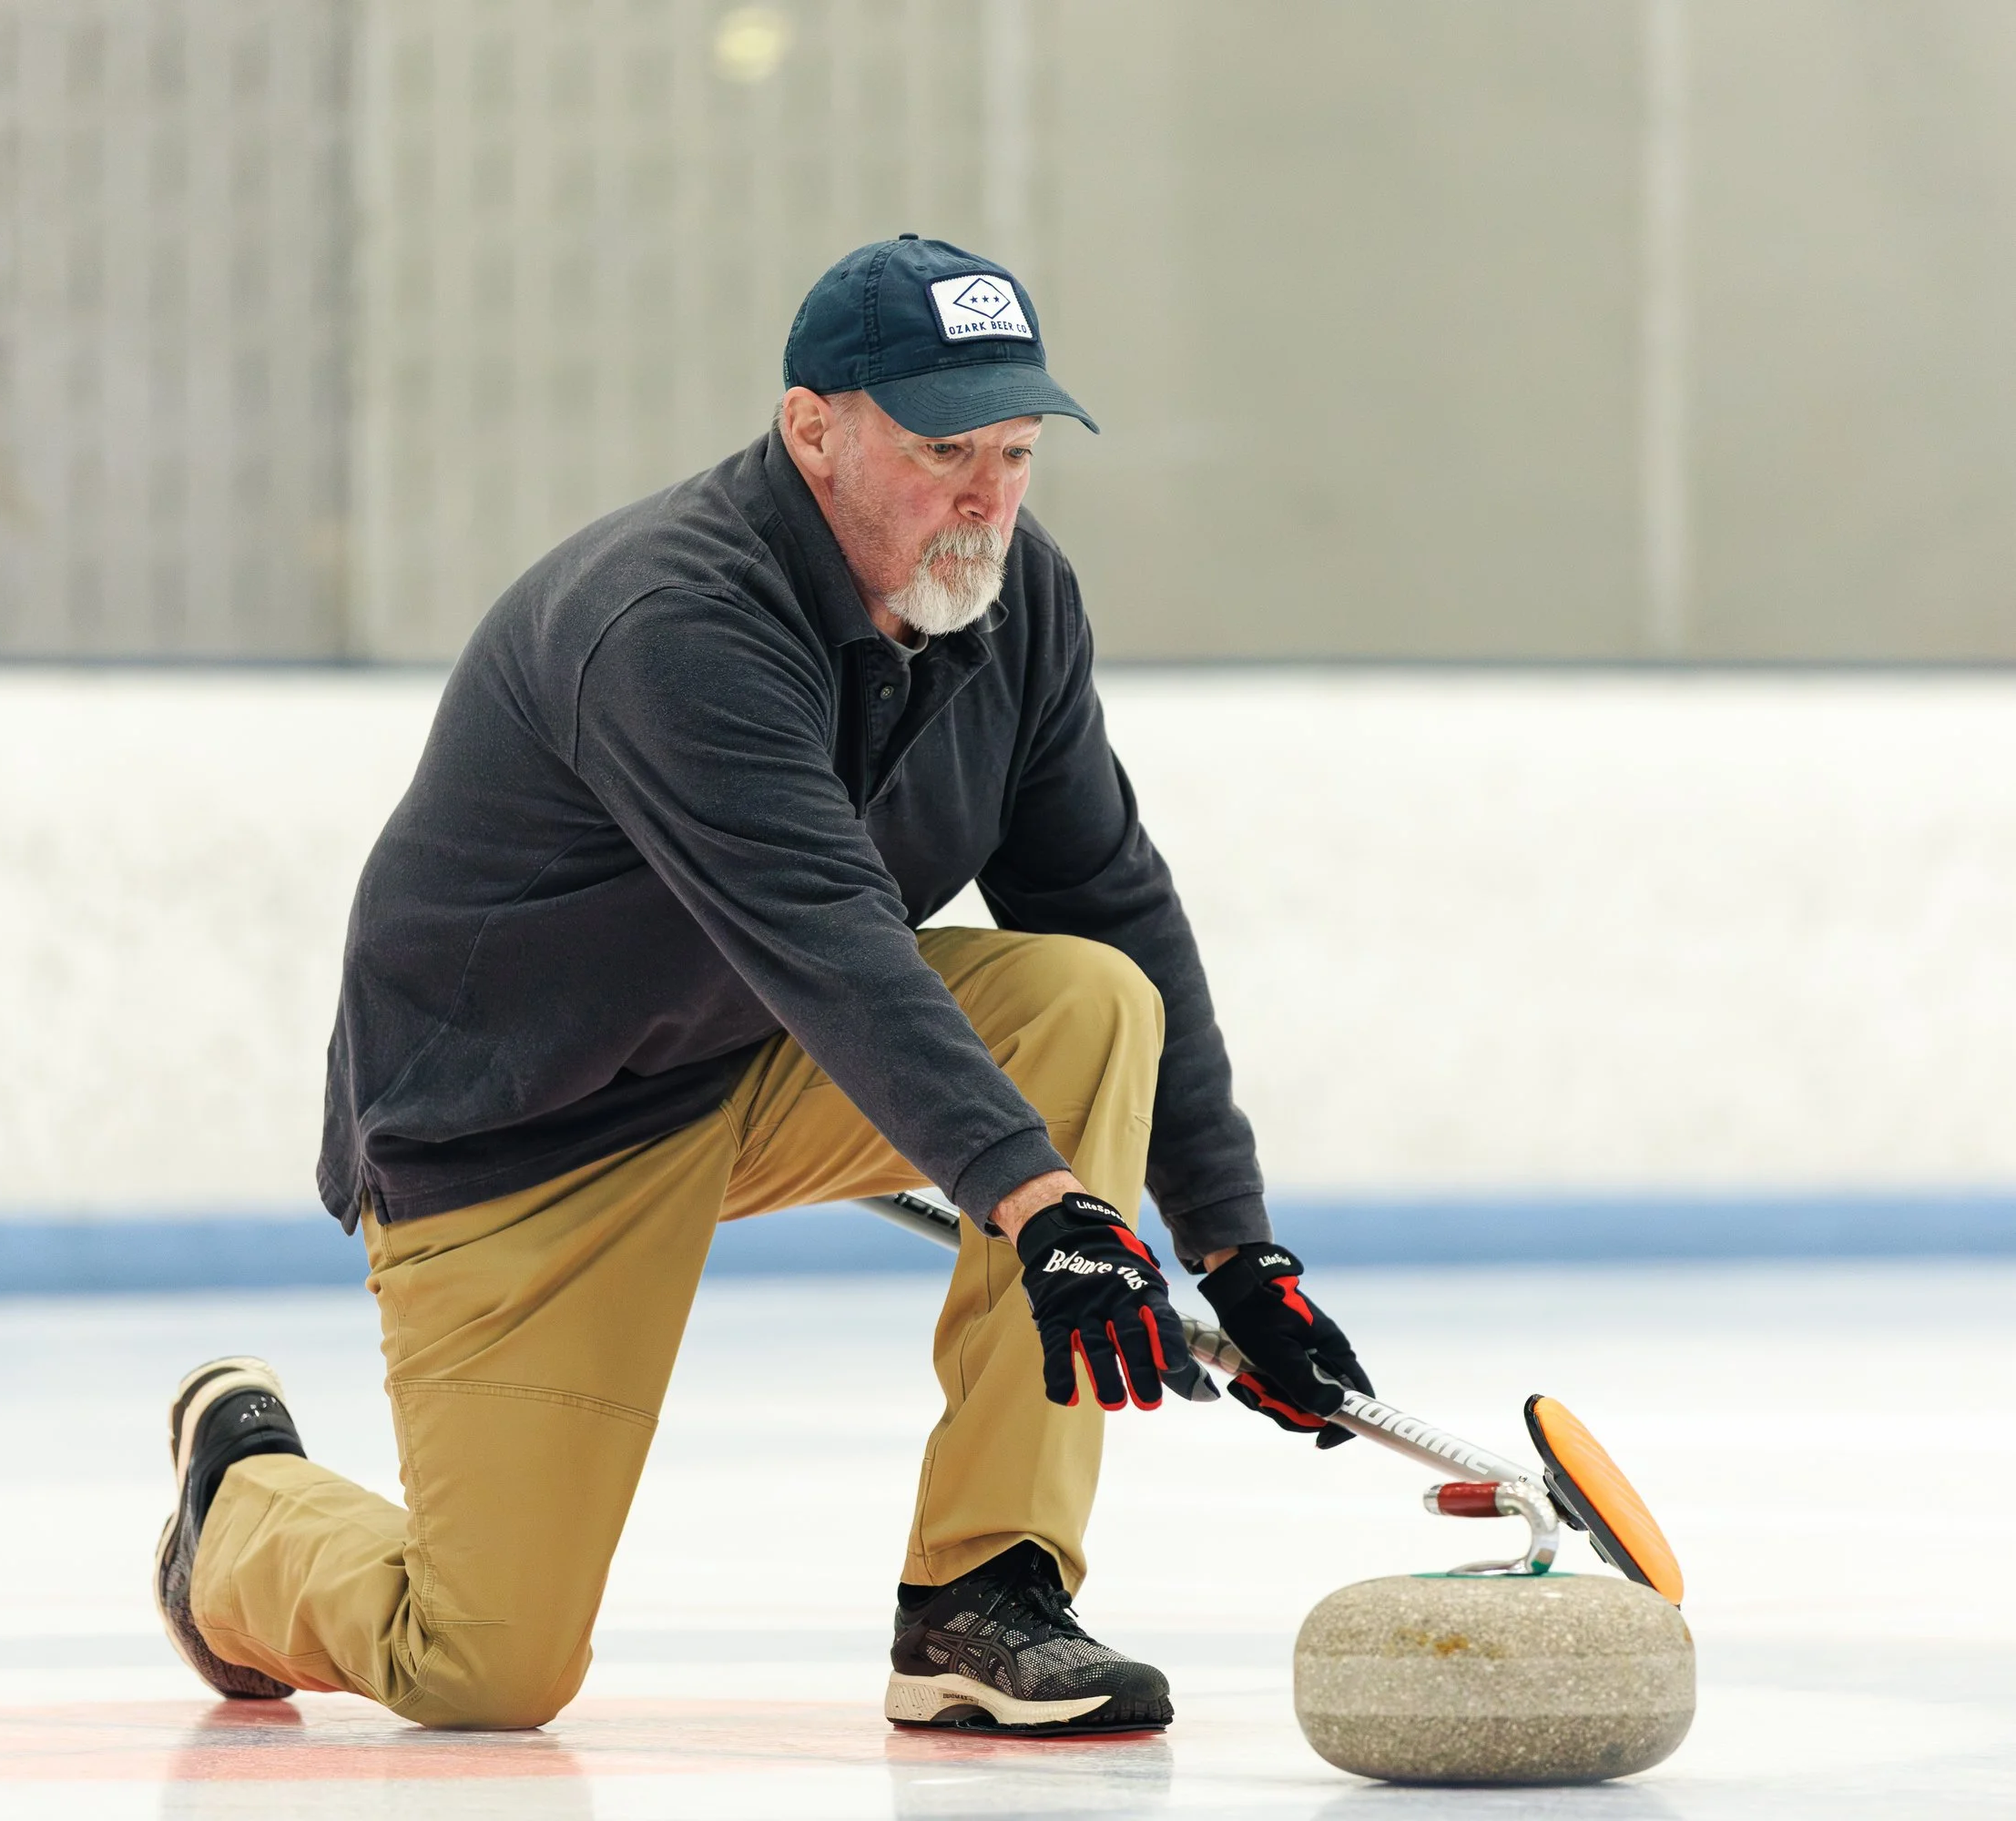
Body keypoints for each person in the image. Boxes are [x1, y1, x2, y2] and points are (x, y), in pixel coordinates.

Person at [153, 235, 1370, 1737]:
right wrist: (1043, 1206)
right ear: (814, 428)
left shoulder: (1015, 603)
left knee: (1088, 997)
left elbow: (1110, 897)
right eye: (941, 450)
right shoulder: (673, 620)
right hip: (517, 1128)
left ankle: (983, 1599)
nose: (985, 495)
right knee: (486, 1667)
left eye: (1016, 449)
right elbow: (826, 936)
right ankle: (241, 1515)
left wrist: (1238, 1251)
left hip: (755, 1062)